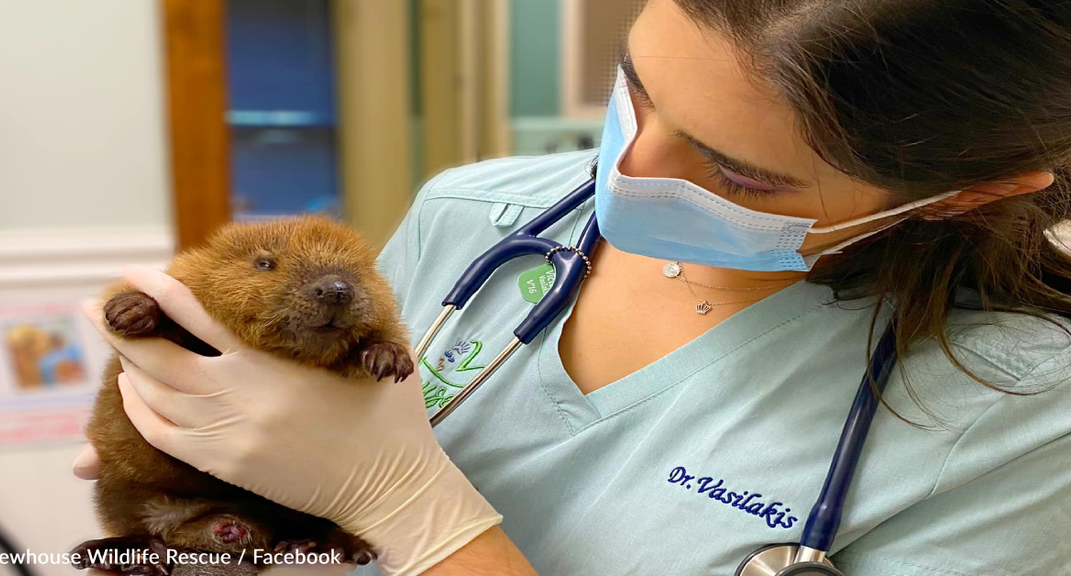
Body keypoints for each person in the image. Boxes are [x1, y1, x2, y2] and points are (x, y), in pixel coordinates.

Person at [74, 1, 1071, 574]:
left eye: (737, 173)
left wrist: (417, 512)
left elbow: (380, 490)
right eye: (634, 88)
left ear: (968, 191)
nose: (624, 171)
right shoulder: (477, 214)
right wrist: (204, 464)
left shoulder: (1024, 420)